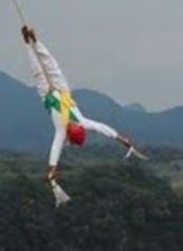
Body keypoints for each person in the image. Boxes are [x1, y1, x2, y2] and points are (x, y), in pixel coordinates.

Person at [21, 25, 146, 206]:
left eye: (73, 128)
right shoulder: (82, 122)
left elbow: (55, 149)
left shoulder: (62, 132)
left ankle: (27, 43)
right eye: (76, 127)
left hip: (48, 97)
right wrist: (121, 139)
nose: (74, 125)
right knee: (52, 67)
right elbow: (103, 128)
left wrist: (52, 169)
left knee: (39, 73)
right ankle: (36, 41)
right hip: (63, 93)